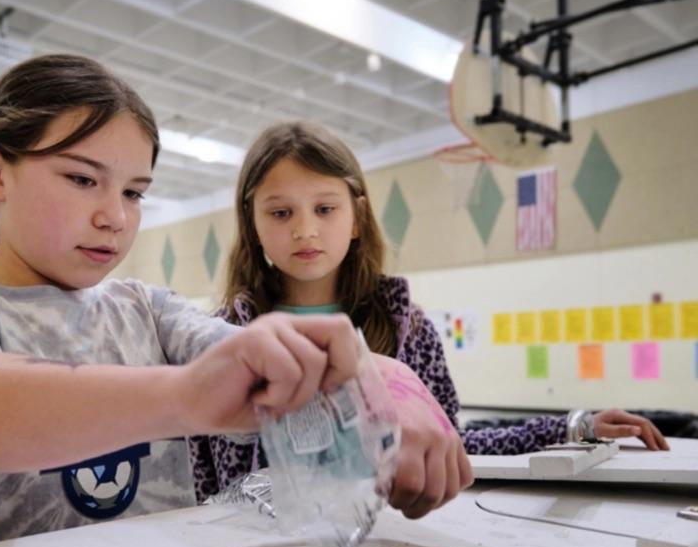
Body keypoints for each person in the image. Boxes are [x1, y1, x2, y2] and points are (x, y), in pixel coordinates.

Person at [0, 55, 465, 547]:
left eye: (133, 193)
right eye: (81, 179)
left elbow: (254, 356)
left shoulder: (146, 309)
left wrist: (386, 382)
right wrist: (182, 398)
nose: (115, 216)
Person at [190, 121, 667, 501]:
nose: (305, 230)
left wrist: (572, 426)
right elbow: (202, 477)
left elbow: (452, 443)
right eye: (280, 213)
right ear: (251, 224)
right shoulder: (221, 336)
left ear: (356, 217)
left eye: (325, 209)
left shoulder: (407, 330)